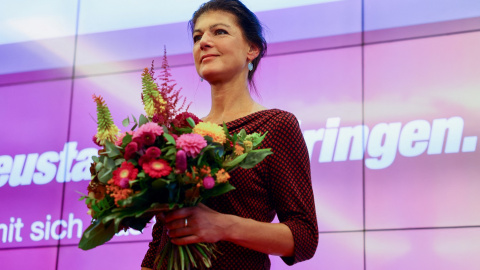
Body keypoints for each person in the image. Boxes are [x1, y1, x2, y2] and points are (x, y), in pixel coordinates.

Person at [141, 0, 318, 269]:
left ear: (252, 49)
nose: (204, 42)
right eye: (198, 36)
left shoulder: (275, 125)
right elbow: (161, 238)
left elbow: (304, 237)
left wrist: (222, 225)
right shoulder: (181, 134)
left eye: (219, 32)